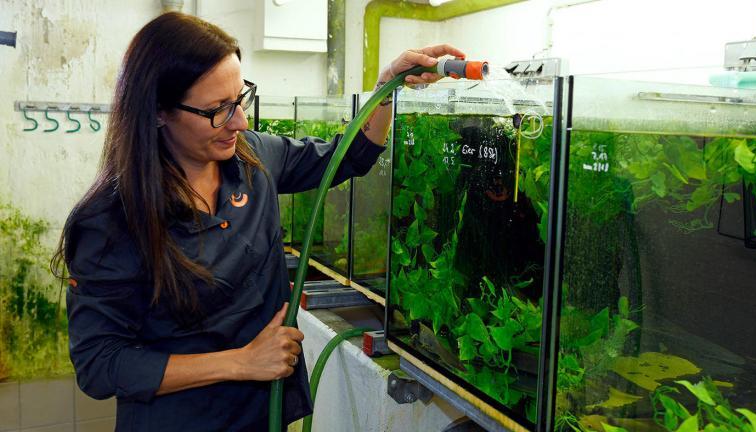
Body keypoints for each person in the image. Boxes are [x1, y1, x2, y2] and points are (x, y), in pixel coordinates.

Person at [52, 11, 465, 432]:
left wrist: (386, 89)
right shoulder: (111, 221)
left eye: (240, 98)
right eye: (217, 110)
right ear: (158, 112)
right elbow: (100, 364)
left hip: (262, 412)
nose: (240, 122)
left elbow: (350, 156)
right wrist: (243, 361)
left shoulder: (254, 159)